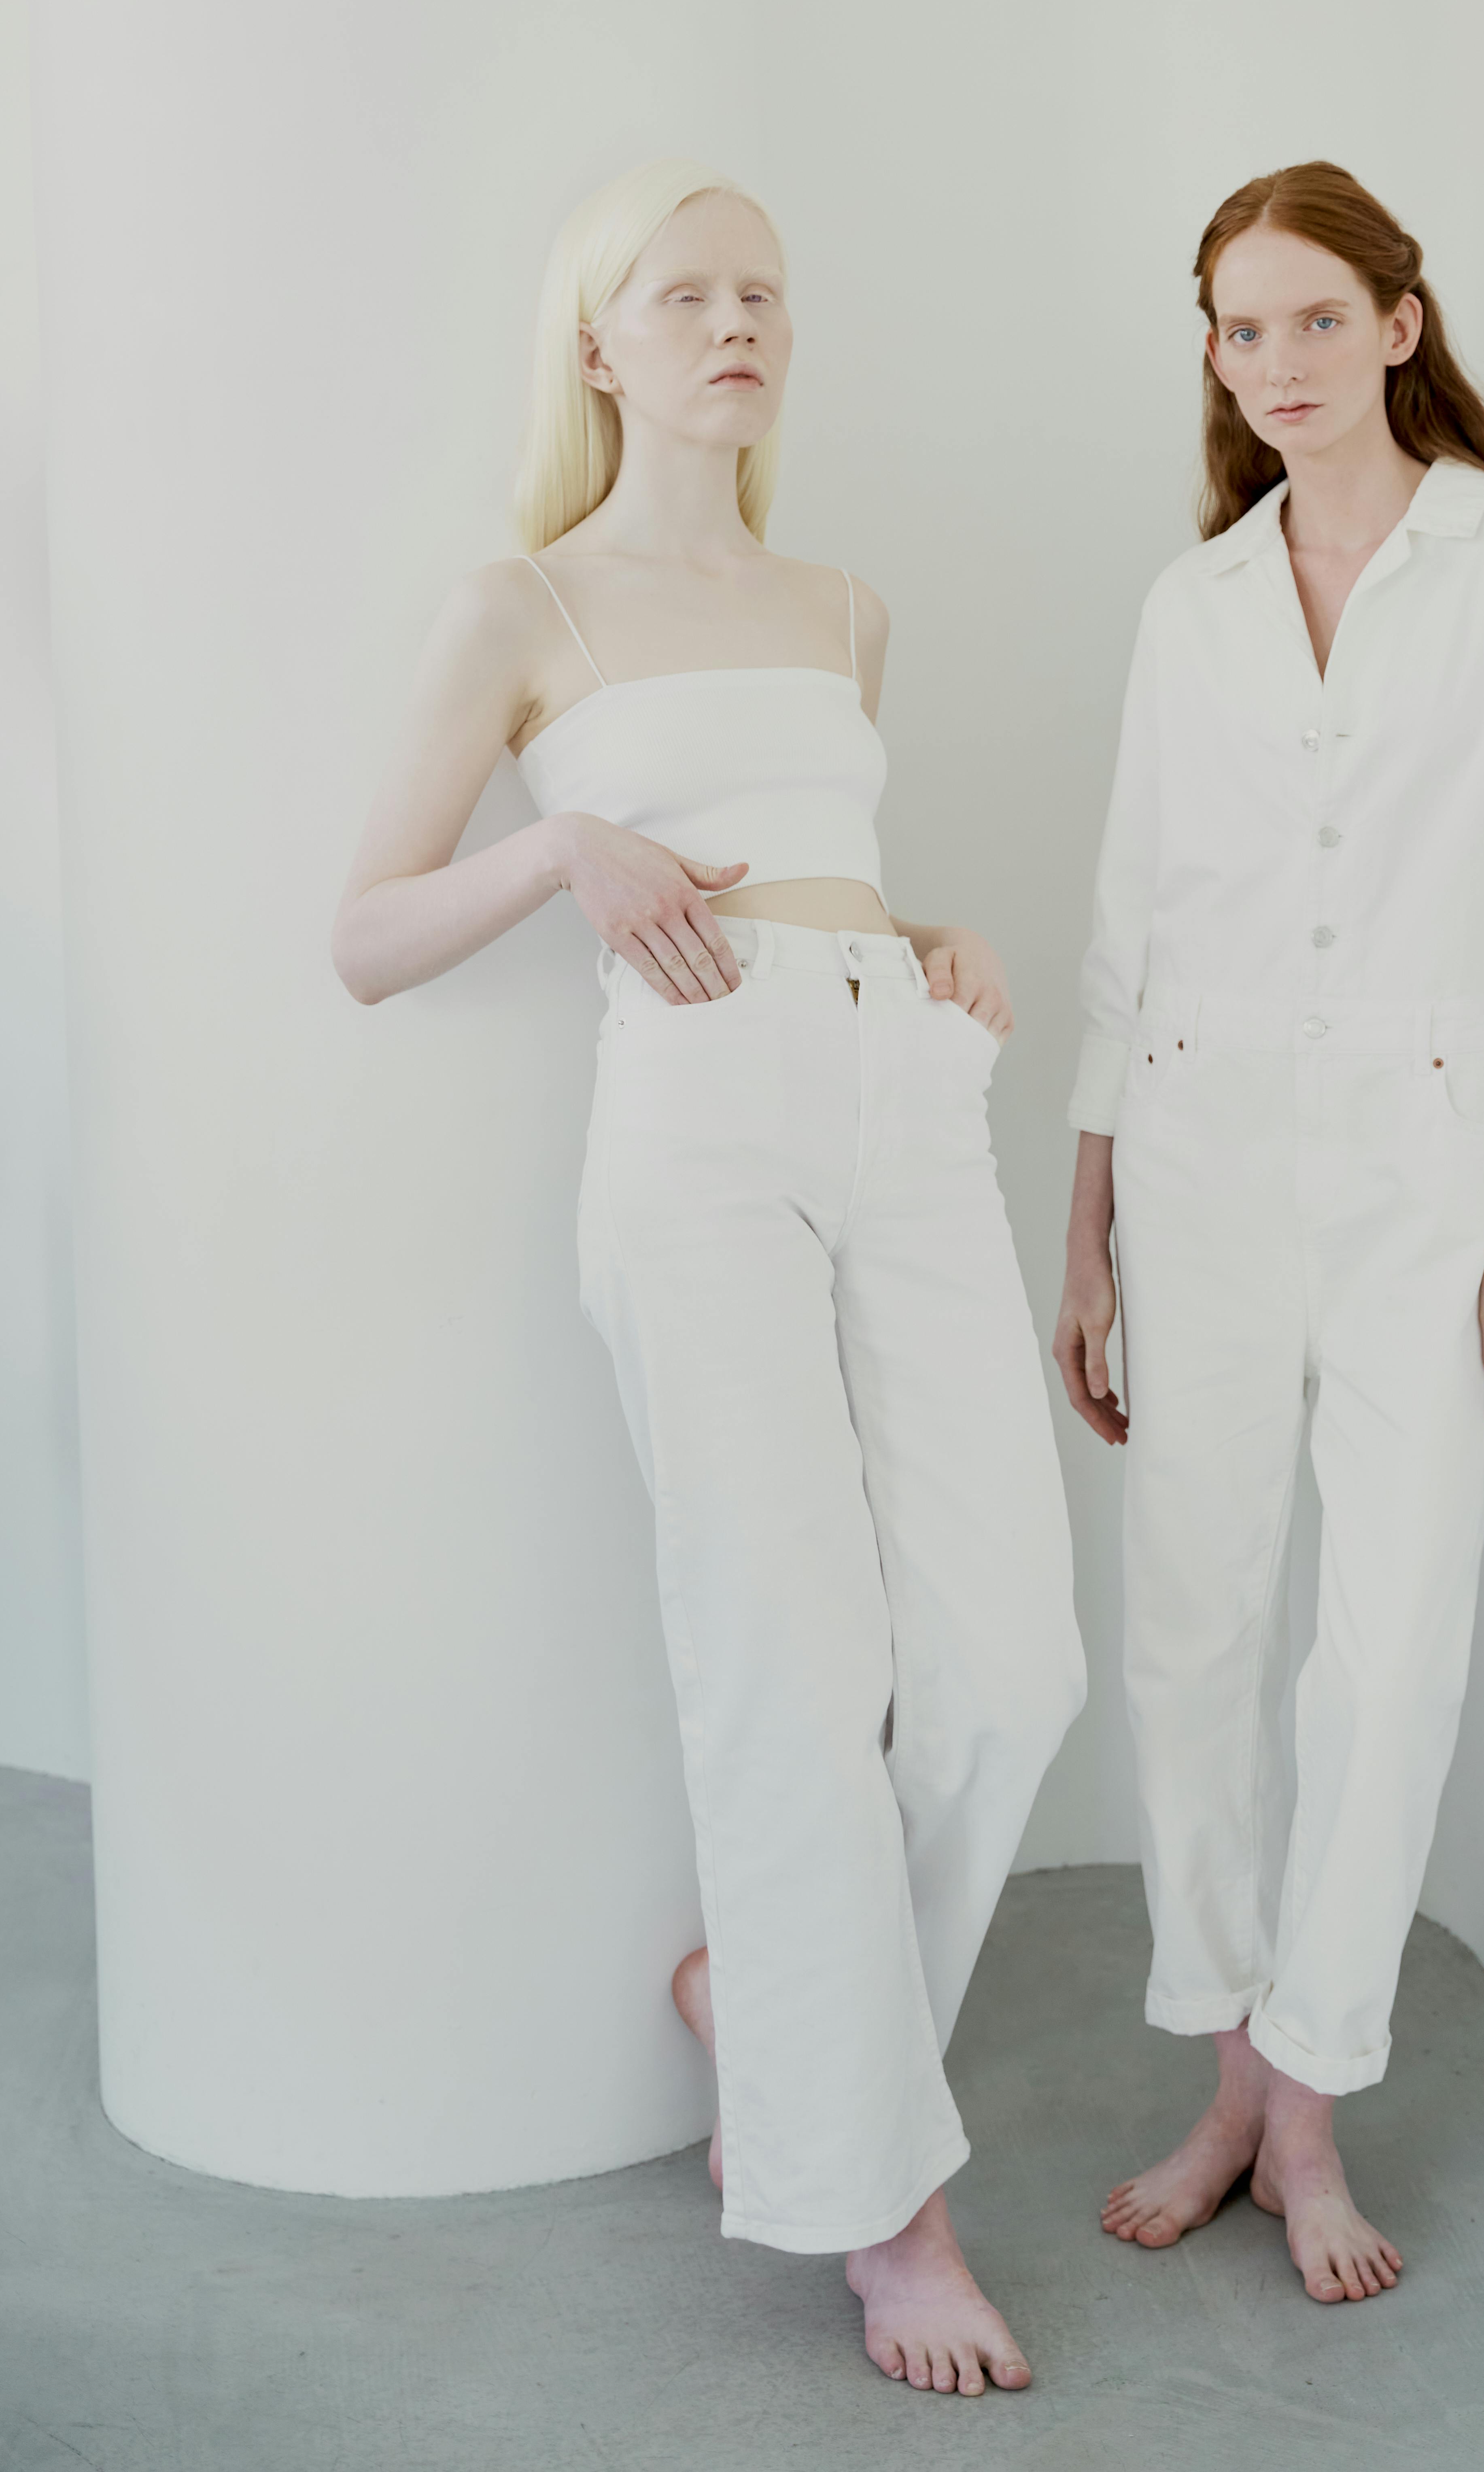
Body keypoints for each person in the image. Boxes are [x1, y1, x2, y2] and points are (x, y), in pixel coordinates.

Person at [334, 159, 1083, 2398]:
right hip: (696, 1121)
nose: (737, 321)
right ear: (602, 343)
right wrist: (558, 845)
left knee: (1009, 1671)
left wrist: (928, 932)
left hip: (902, 1092)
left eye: (763, 292)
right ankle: (883, 2210)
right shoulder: (522, 608)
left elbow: (819, 853)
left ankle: (768, 2011)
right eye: (688, 293)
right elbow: (361, 934)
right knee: (797, 1661)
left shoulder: (844, 606)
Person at [1054, 161, 1484, 2306]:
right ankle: (1229, 2079)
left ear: (1396, 320)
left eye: (1303, 319)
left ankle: (1311, 2092)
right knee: (1191, 1627)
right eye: (1228, 326)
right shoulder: (1190, 601)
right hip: (1190, 1151)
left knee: (1392, 1637)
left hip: (1419, 1157)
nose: (1265, 363)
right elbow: (1125, 931)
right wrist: (1080, 1239)